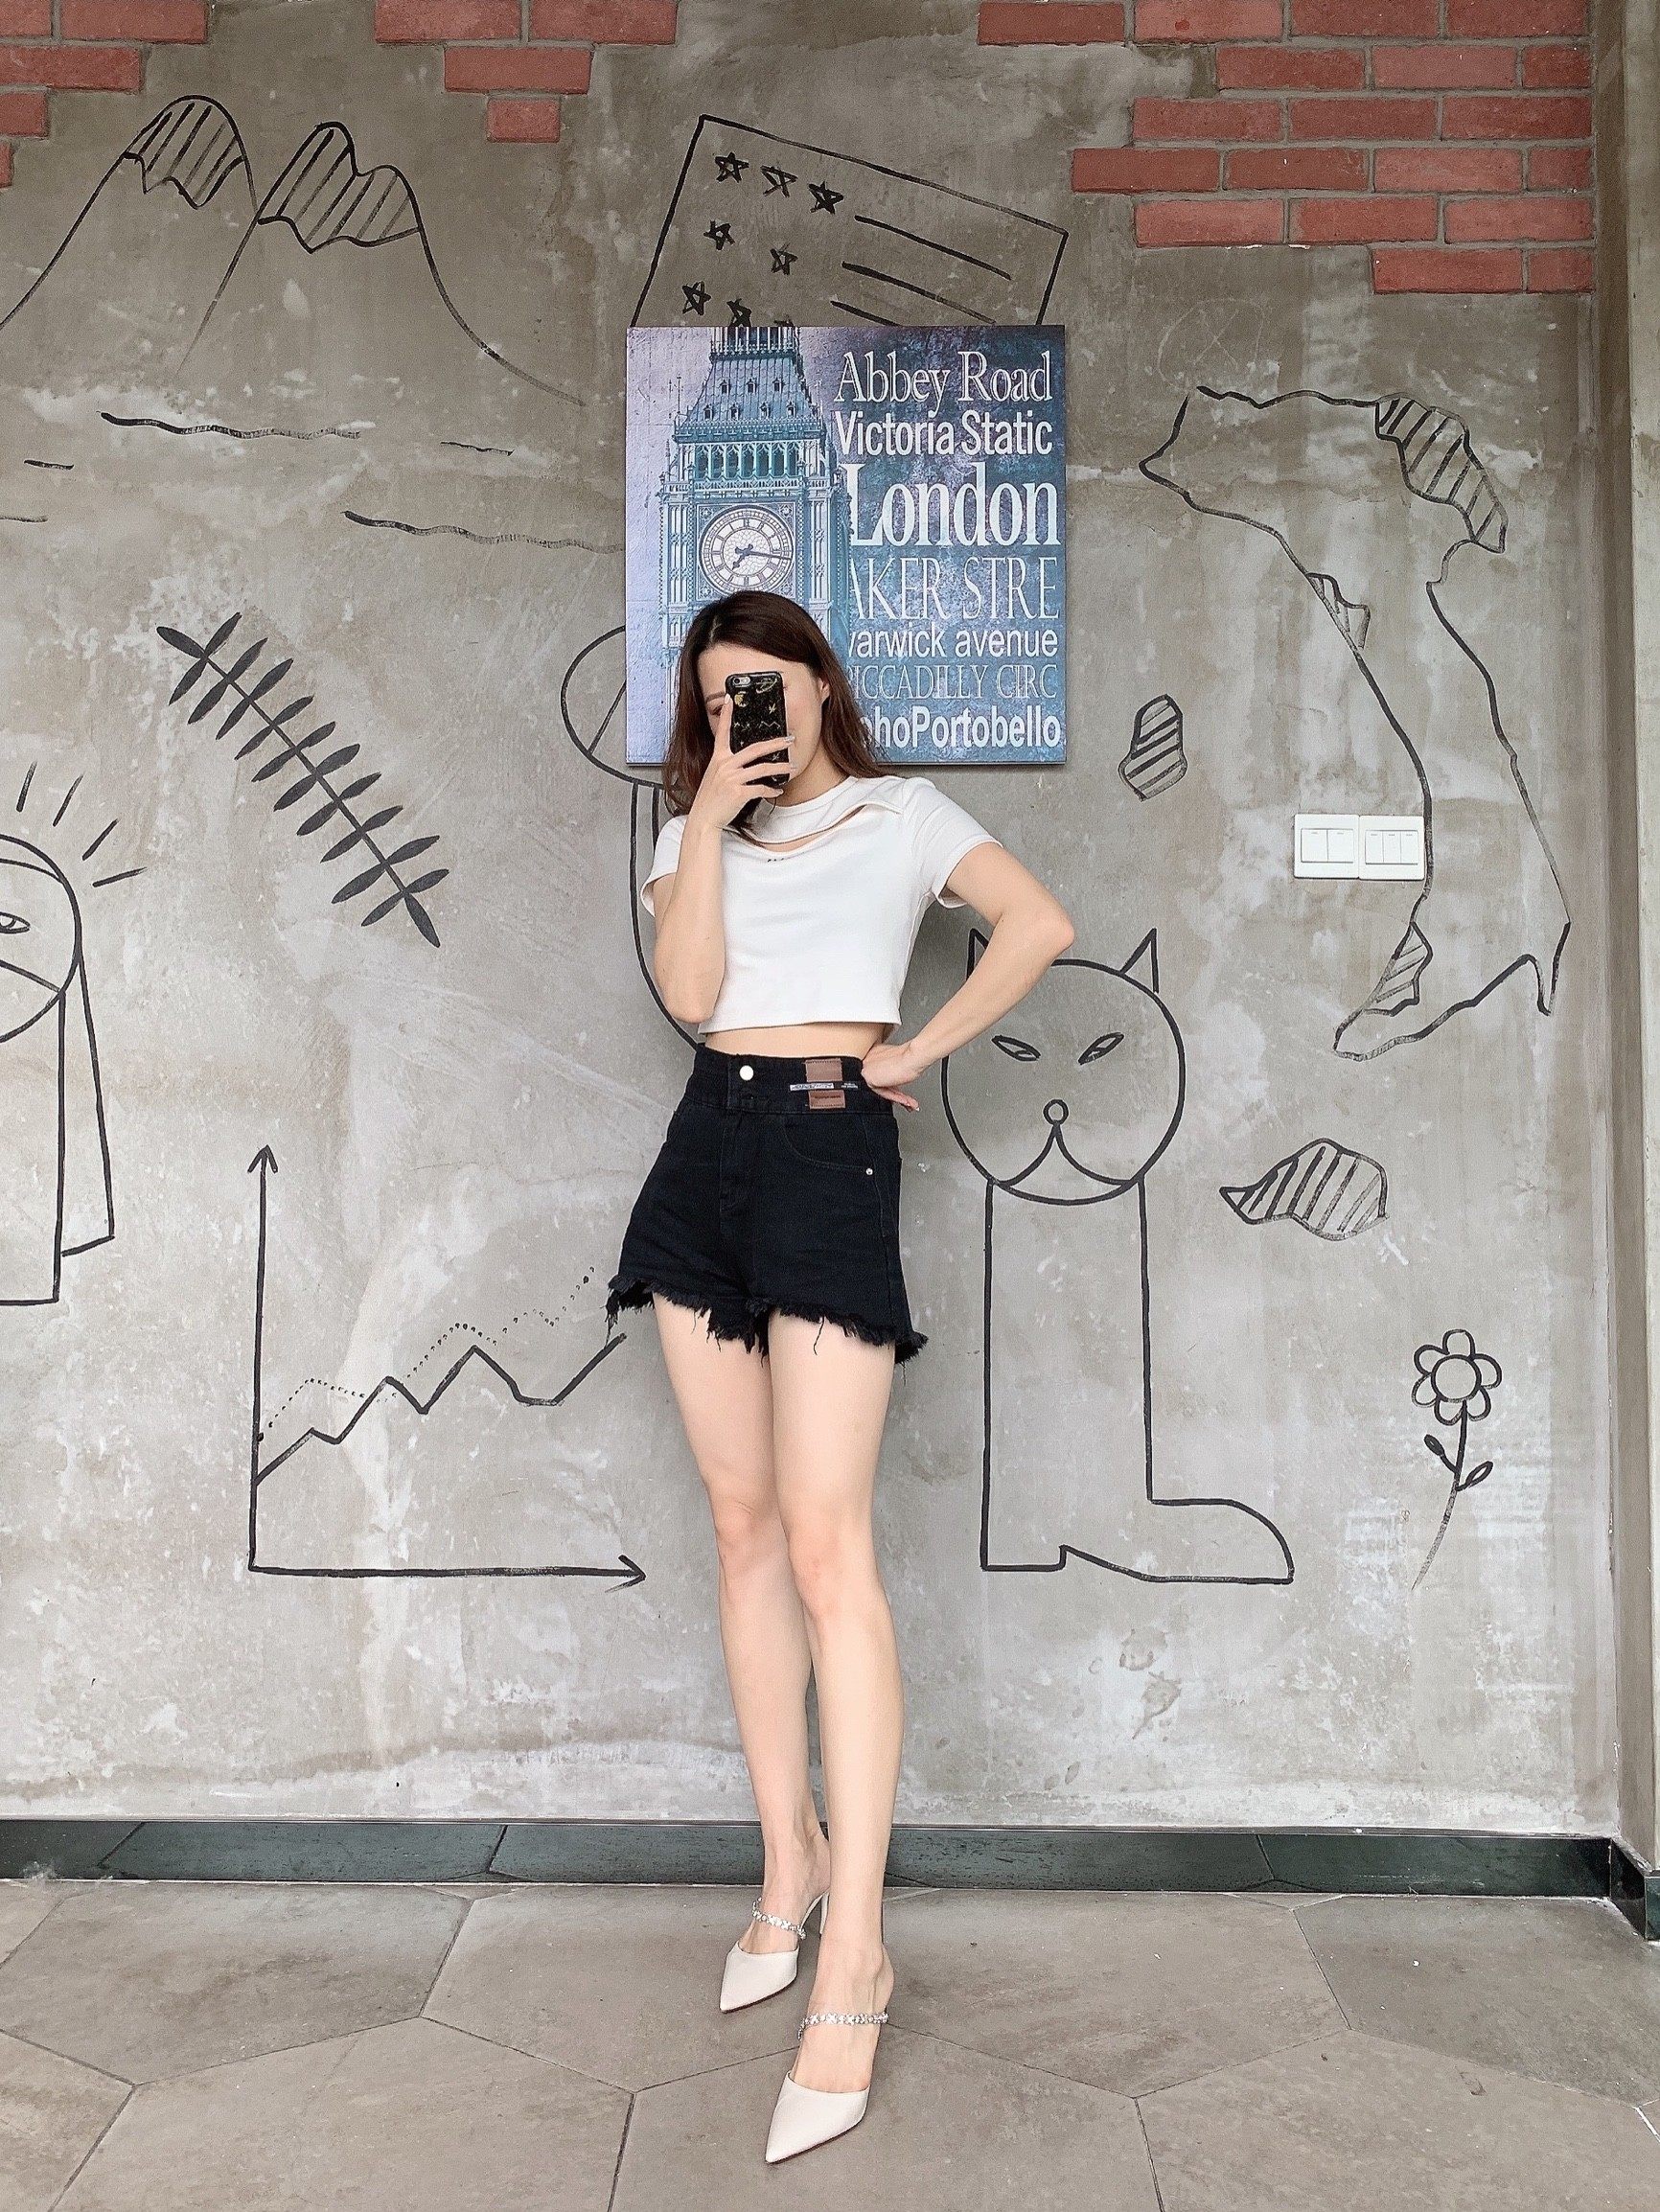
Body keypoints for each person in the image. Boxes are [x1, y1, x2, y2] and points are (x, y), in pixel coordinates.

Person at [604, 588, 1073, 2163]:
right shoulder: (690, 836)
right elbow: (689, 995)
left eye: (769, 684)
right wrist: (708, 825)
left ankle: (856, 1956)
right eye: (718, 696)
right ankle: (786, 1872)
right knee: (741, 1528)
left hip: (827, 1150)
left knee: (825, 1547)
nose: (747, 712)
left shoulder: (903, 814)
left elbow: (1039, 923)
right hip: (702, 1154)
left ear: (820, 686)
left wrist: (914, 1051)